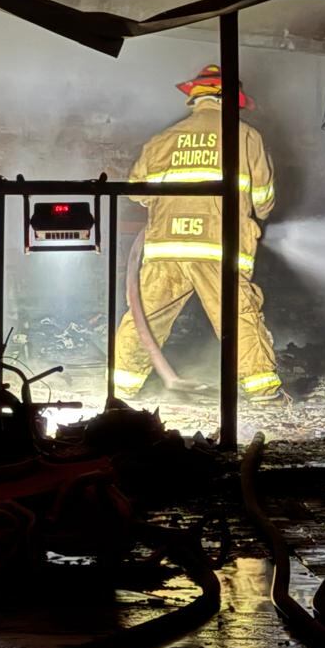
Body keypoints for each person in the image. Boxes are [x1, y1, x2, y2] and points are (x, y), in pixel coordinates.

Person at [114, 64, 283, 402]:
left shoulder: (162, 139)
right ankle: (263, 390)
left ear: (195, 96)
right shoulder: (245, 136)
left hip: (166, 247)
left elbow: (137, 192)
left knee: (145, 317)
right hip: (217, 249)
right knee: (238, 316)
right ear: (232, 99)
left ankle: (120, 387)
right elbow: (264, 201)